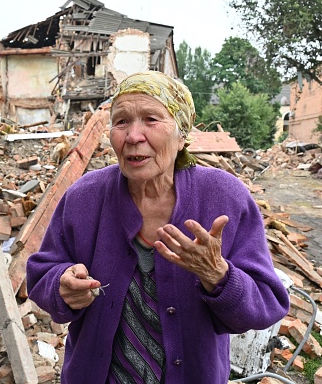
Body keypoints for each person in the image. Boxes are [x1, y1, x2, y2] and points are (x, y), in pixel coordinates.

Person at [26, 70, 290, 383]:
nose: (133, 136)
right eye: (122, 121)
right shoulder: (85, 197)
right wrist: (62, 286)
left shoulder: (225, 197)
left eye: (151, 119)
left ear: (182, 136)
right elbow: (41, 273)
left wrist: (218, 275)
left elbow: (267, 302)